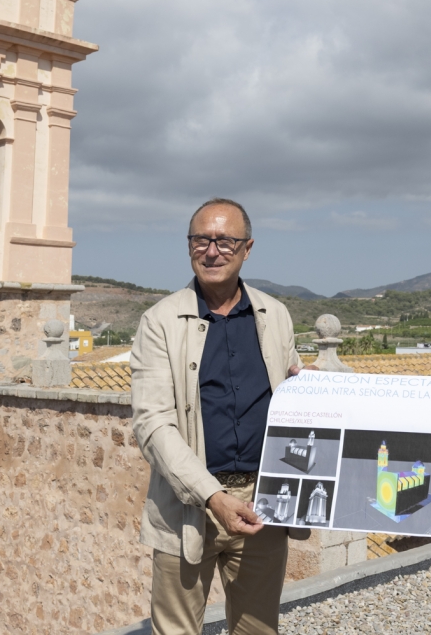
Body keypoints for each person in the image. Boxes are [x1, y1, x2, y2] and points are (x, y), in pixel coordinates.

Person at [131, 198, 306, 635]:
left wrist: (311, 387)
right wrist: (213, 497)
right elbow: (153, 425)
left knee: (257, 629)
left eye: (225, 241)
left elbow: (290, 392)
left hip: (263, 503)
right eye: (201, 240)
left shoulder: (275, 315)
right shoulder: (159, 322)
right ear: (188, 246)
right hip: (187, 506)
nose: (212, 251)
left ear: (248, 249)